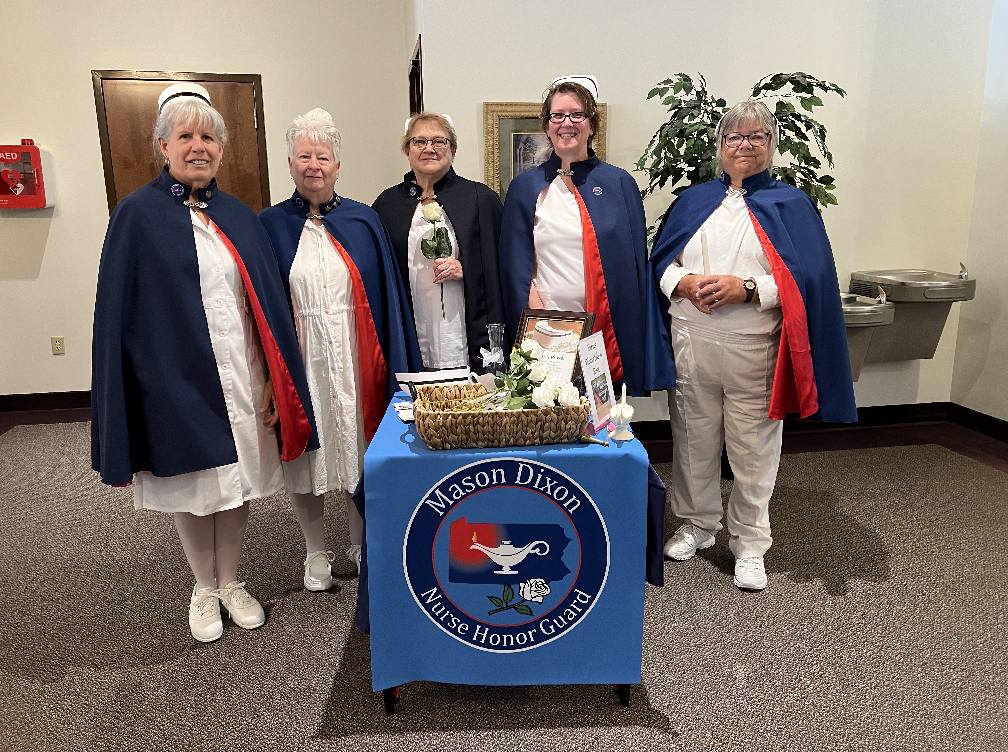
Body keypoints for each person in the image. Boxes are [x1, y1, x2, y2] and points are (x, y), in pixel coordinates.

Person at [91, 83, 318, 642]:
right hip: (177, 379)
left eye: (209, 137)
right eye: (186, 136)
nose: (199, 146)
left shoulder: (238, 216)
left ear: (221, 149)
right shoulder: (136, 215)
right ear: (163, 146)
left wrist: (273, 378)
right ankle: (203, 586)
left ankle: (231, 580)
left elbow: (265, 305)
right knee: (196, 484)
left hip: (241, 371)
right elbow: (121, 314)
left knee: (236, 481)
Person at [646, 100, 857, 591]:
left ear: (772, 145)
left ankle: (750, 543)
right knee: (693, 440)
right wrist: (684, 282)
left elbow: (808, 280)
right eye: (734, 137)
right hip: (691, 342)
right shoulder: (692, 201)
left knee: (753, 449)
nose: (744, 145)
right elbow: (659, 264)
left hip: (754, 347)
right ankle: (698, 524)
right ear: (719, 146)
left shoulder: (792, 205)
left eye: (756, 136)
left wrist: (748, 288)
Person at [260, 108, 420, 587]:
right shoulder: (269, 226)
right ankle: (314, 551)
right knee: (308, 455)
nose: (314, 165)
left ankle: (360, 542)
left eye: (323, 157)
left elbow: (387, 297)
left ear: (337, 166)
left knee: (358, 443)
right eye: (304, 156)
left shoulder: (363, 220)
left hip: (356, 354)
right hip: (302, 356)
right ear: (290, 164)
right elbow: (264, 305)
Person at [499, 75, 653, 395]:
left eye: (576, 114)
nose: (566, 123)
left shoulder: (619, 184)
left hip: (603, 332)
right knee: (549, 414)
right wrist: (543, 320)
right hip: (547, 330)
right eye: (557, 115)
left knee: (603, 417)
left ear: (591, 123)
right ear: (547, 125)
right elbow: (515, 266)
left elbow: (633, 268)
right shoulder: (525, 188)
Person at [373, 112, 505, 372]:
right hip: (413, 331)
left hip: (465, 334)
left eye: (439, 141)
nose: (429, 148)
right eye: (419, 141)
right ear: (407, 149)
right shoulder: (387, 205)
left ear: (453, 149)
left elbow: (501, 267)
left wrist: (466, 269)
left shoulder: (480, 199)